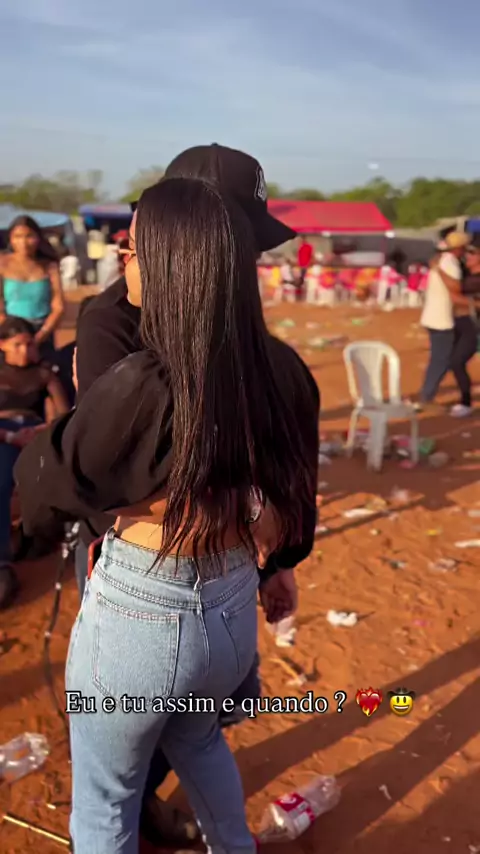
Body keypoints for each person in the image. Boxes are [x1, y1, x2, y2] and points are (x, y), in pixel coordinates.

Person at [15, 177, 320, 854]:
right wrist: (271, 551)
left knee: (104, 802)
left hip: (142, 614)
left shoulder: (145, 381)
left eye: (133, 248)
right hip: (232, 602)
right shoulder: (281, 370)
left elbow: (47, 482)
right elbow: (298, 494)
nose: (123, 261)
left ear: (169, 263)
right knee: (200, 739)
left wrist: (82, 442)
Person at [0, 316, 69, 608]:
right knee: (1, 482)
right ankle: (3, 561)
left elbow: (65, 414)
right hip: (2, 434)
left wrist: (41, 431)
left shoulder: (43, 373)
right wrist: (10, 436)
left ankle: (36, 538)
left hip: (34, 433)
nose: (25, 350)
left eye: (29, 344)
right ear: (2, 345)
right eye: (17, 344)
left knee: (45, 477)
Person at [419, 232, 476, 415]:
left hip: (436, 317)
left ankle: (427, 395)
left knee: (442, 359)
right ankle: (427, 397)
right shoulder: (449, 262)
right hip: (441, 319)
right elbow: (455, 289)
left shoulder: (442, 260)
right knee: (441, 360)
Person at [0, 216, 65, 361]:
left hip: (42, 331)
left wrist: (40, 336)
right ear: (10, 239)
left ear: (38, 238)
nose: (23, 242)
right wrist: (12, 334)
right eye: (18, 237)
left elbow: (59, 306)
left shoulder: (50, 267)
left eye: (29, 236)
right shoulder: (3, 264)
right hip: (11, 334)